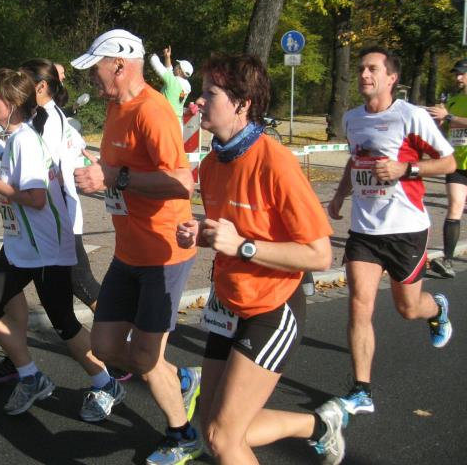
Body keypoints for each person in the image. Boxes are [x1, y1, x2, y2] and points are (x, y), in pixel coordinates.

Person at [176, 53, 347, 465]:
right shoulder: (212, 164)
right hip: (228, 304)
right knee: (216, 428)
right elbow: (233, 229)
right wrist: (204, 234)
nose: (199, 102)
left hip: (273, 307)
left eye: (210, 94)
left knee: (223, 437)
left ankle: (319, 426)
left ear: (242, 103)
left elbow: (320, 254)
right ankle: (318, 425)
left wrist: (244, 246)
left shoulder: (276, 161)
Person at [71, 29, 203, 465]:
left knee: (145, 358)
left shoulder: (153, 110)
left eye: (95, 68)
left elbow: (182, 183)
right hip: (128, 251)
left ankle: (183, 435)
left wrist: (115, 178)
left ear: (119, 65)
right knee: (105, 346)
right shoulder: (115, 108)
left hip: (164, 252)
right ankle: (181, 378)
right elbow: (118, 167)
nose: (92, 77)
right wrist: (99, 170)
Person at [0, 68, 124, 420]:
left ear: (13, 104)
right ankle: (31, 376)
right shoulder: (15, 139)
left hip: (45, 250)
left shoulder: (25, 141)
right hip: (22, 247)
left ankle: (106, 383)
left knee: (63, 322)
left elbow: (36, 198)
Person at [328, 46, 455, 417]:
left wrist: (406, 169)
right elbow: (355, 159)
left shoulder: (410, 116)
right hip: (365, 231)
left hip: (406, 229)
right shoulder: (352, 119)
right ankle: (361, 390)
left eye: (372, 69)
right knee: (359, 305)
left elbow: (448, 162)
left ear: (391, 78)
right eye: (361, 69)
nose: (364, 75)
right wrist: (339, 194)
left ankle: (437, 309)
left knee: (407, 308)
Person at [424, 57, 467, 278]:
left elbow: (455, 120)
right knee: (454, 207)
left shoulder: (451, 109)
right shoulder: (453, 101)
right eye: (456, 74)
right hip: (458, 165)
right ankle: (447, 260)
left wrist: (448, 117)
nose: (458, 78)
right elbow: (445, 134)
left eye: (462, 74)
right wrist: (439, 123)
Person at [149, 45, 193, 124]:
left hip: (165, 119)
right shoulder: (187, 87)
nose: (175, 66)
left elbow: (158, 67)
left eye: (177, 66)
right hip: (177, 121)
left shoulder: (172, 81)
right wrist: (167, 57)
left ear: (179, 71)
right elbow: (170, 72)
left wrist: (153, 56)